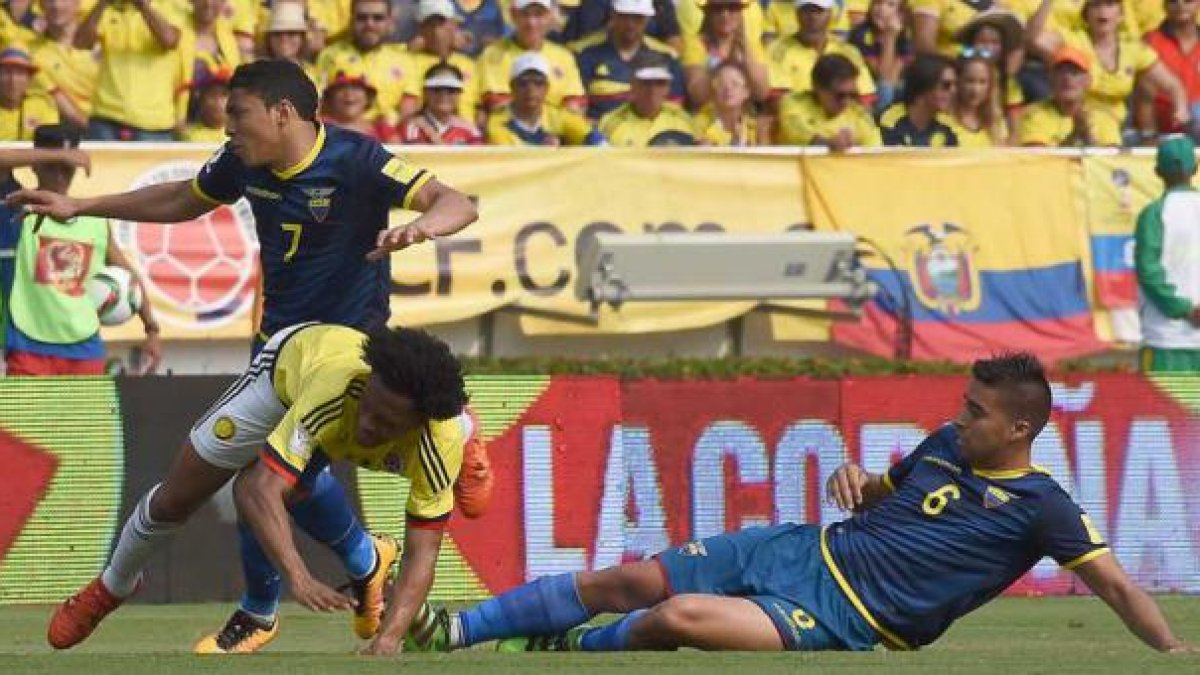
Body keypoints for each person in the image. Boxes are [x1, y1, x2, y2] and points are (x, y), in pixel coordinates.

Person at [7, 59, 483, 654]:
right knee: (195, 489)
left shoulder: (358, 160)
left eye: (238, 115)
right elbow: (184, 196)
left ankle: (262, 611)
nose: (228, 130)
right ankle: (114, 586)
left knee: (273, 478)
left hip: (349, 357)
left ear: (282, 112)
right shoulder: (242, 162)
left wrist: (422, 228)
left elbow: (457, 201)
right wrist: (84, 206)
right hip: (277, 352)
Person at [408, 352, 1196, 655]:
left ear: (1020, 426)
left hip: (848, 617)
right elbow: (882, 488)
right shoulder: (948, 445)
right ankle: (456, 629)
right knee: (630, 578)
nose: (961, 418)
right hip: (799, 547)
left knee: (673, 619)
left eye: (977, 412)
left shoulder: (1043, 505)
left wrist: (1171, 654)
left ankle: (566, 650)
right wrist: (854, 477)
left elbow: (1122, 587)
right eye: (962, 404)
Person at [40, 322, 475, 657]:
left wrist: (390, 639)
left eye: (384, 423)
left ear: (420, 423)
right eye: (368, 409)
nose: (367, 425)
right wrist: (298, 576)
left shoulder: (438, 445)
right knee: (179, 497)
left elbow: (424, 552)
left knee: (299, 489)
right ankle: (111, 587)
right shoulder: (338, 389)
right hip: (285, 377)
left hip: (331, 414)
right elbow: (255, 490)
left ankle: (367, 558)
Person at [0, 124, 161, 376]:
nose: (61, 174)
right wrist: (60, 154)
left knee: (86, 418)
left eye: (68, 166)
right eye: (52, 165)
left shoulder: (93, 217)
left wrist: (151, 328)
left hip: (84, 347)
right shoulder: (17, 206)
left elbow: (126, 273)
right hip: (28, 344)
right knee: (27, 418)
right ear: (35, 164)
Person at [1134, 134, 1200, 372]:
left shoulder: (1154, 214)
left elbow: (1148, 271)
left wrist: (1184, 309)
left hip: (1166, 340)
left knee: (1164, 410)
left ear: (1157, 172)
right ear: (1195, 167)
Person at [78, 0, 187, 141]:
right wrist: (102, 3)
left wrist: (142, 5)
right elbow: (81, 42)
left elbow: (169, 40)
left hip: (153, 122)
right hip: (106, 118)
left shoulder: (170, 6)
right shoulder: (107, 8)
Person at [574, 0, 685, 120]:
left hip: (652, 130)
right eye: (624, 17)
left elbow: (674, 107)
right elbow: (577, 106)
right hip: (599, 130)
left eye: (637, 18)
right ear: (613, 15)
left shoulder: (666, 56)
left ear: (647, 19)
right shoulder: (585, 53)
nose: (630, 24)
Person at [486, 52, 605, 145]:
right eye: (523, 83)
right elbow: (512, 157)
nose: (531, 90)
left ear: (547, 88)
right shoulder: (498, 121)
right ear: (512, 87)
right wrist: (547, 149)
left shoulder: (555, 115)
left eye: (538, 83)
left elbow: (593, 137)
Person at [1017, 46, 1120, 147]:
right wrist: (1074, 136)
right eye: (1061, 72)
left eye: (1074, 73)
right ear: (1050, 78)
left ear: (1088, 81)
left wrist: (1088, 139)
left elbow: (1112, 160)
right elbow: (1038, 160)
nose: (1067, 78)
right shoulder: (1034, 115)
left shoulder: (1103, 117)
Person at [776, 52, 881, 148]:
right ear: (818, 88)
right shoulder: (793, 104)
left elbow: (875, 149)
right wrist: (830, 144)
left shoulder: (858, 113)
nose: (847, 101)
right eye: (840, 95)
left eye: (852, 95)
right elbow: (800, 136)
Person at [599, 52, 696, 145]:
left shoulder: (683, 120)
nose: (652, 90)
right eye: (646, 83)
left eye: (660, 83)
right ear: (633, 85)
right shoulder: (610, 123)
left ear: (668, 87)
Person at [879, 53, 959, 146]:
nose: (954, 91)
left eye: (955, 85)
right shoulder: (889, 121)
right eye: (946, 85)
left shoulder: (948, 127)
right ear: (923, 85)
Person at [395, 62, 484, 145]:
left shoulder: (470, 131)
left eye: (451, 90)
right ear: (425, 92)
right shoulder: (409, 128)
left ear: (459, 94)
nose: (444, 95)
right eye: (437, 89)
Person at [0, 47, 59, 141]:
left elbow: (52, 147)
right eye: (6, 73)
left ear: (29, 80)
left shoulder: (42, 106)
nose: (13, 80)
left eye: (19, 73)